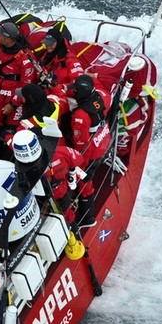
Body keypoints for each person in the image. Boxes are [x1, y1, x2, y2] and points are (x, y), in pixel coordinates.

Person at [67, 75, 113, 227]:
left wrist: (79, 167)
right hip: (104, 140)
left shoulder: (80, 116)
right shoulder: (101, 96)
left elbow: (81, 145)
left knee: (84, 184)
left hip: (91, 151)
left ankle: (88, 218)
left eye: (77, 90)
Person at [37, 22, 84, 96]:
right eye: (46, 44)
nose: (48, 47)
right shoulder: (46, 56)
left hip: (64, 96)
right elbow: (39, 71)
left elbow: (77, 85)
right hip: (47, 93)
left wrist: (57, 87)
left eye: (51, 44)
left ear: (58, 42)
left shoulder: (71, 60)